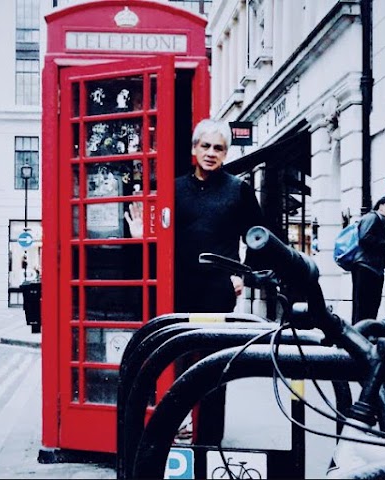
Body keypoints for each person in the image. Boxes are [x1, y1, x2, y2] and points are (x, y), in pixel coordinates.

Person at [125, 118, 265, 445]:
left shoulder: (238, 190)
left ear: (226, 153)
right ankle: (175, 429)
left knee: (215, 366)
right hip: (178, 289)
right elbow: (160, 237)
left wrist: (240, 273)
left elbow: (261, 236)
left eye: (218, 148)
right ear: (194, 149)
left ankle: (209, 440)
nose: (211, 153)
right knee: (172, 361)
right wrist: (141, 237)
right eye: (206, 146)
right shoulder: (173, 190)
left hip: (218, 291)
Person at [351, 196, 385, 325]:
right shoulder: (372, 217)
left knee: (371, 304)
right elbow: (364, 238)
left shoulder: (380, 221)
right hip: (366, 267)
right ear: (381, 206)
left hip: (373, 268)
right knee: (364, 305)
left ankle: (366, 334)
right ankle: (360, 335)